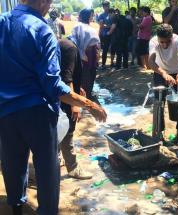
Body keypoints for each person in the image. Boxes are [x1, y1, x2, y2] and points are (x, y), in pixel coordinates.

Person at [0, 1, 107, 214]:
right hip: (38, 114)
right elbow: (52, 85)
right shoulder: (42, 30)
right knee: (47, 168)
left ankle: (16, 209)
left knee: (13, 163)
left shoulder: (2, 22)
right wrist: (89, 104)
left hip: (5, 112)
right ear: (42, 2)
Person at [59, 38, 93, 180]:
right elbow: (67, 77)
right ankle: (72, 168)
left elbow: (63, 71)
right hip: (65, 95)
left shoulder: (61, 44)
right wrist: (75, 104)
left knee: (58, 128)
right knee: (68, 131)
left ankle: (57, 157)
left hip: (56, 93)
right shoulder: (71, 48)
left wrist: (78, 89)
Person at [148, 24, 178, 141]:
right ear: (158, 38)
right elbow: (151, 62)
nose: (165, 45)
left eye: (167, 42)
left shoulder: (177, 40)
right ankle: (159, 133)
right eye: (162, 42)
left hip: (177, 72)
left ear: (172, 37)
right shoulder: (153, 41)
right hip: (160, 73)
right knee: (159, 102)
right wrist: (164, 74)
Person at [73, 9, 100, 100]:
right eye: (91, 15)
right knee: (87, 74)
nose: (92, 17)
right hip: (88, 53)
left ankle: (84, 94)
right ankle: (85, 95)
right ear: (87, 16)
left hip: (86, 53)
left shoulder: (79, 27)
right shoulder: (83, 28)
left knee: (86, 73)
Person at [97, 1, 112, 68]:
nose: (107, 7)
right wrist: (110, 26)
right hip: (104, 35)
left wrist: (108, 26)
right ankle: (103, 64)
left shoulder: (112, 13)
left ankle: (112, 63)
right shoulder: (101, 15)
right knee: (104, 50)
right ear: (103, 7)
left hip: (112, 34)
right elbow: (101, 25)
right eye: (105, 6)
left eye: (108, 5)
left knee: (112, 49)